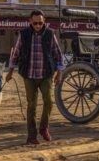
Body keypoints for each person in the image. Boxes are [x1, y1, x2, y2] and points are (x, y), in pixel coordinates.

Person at [5, 10, 63, 145]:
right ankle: (32, 135)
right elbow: (16, 53)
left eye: (40, 23)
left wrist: (59, 73)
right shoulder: (24, 34)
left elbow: (58, 54)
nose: (38, 26)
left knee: (49, 102)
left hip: (46, 74)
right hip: (29, 75)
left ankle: (44, 128)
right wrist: (10, 71)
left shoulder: (50, 34)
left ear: (44, 22)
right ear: (30, 21)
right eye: (35, 23)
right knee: (32, 105)